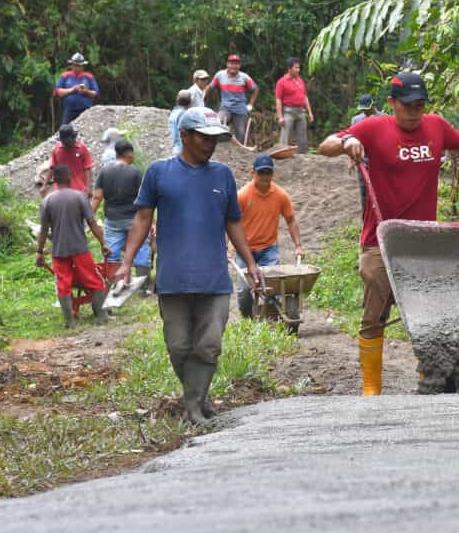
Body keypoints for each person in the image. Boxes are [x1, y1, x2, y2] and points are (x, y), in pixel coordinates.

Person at [318, 72, 459, 395]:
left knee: (429, 313)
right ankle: (371, 388)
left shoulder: (436, 125)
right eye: (408, 106)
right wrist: (347, 141)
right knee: (375, 311)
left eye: (420, 105)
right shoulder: (373, 128)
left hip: (422, 241)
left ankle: (431, 379)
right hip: (380, 240)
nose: (414, 112)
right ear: (391, 104)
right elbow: (325, 146)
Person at [113, 107, 262, 425]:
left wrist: (251, 263)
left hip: (214, 280)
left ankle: (193, 407)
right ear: (184, 136)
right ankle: (199, 396)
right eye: (204, 138)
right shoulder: (158, 173)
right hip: (173, 278)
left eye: (214, 139)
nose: (211, 144)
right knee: (179, 347)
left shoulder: (222, 175)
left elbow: (233, 223)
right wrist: (127, 262)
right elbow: (142, 219)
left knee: (208, 345)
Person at [36, 165, 111, 328]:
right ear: (69, 178)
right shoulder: (79, 197)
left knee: (63, 284)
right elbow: (92, 222)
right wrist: (103, 242)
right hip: (79, 248)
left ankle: (70, 321)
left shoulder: (47, 200)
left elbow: (43, 230)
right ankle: (101, 314)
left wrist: (39, 252)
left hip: (59, 250)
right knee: (94, 279)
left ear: (55, 180)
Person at [234, 154, 305, 319]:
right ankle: (248, 320)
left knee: (274, 287)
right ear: (253, 173)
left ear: (273, 173)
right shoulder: (242, 196)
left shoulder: (280, 195)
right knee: (244, 291)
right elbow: (231, 223)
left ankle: (279, 315)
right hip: (245, 250)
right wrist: (225, 246)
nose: (265, 177)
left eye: (268, 172)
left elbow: (291, 220)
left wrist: (298, 245)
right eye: (261, 173)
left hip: (268, 248)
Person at [91, 139, 152, 290]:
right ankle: (142, 287)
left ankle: (115, 286)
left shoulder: (105, 171)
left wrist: (88, 216)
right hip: (133, 218)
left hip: (112, 219)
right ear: (129, 154)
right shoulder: (135, 172)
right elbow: (144, 198)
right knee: (141, 247)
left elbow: (97, 196)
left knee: (112, 251)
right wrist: (150, 220)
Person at [204, 54, 256, 143]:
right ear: (227, 64)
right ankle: (218, 148)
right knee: (217, 124)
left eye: (236, 64)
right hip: (225, 108)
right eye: (232, 63)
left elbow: (255, 89)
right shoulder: (220, 75)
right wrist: (201, 98)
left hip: (240, 109)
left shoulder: (244, 77)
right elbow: (209, 87)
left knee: (241, 134)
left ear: (239, 66)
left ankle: (240, 153)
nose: (234, 66)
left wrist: (251, 104)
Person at [349, 94, 383, 211]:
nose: (365, 111)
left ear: (373, 105)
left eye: (367, 108)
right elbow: (352, 140)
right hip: (363, 161)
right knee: (364, 191)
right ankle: (366, 218)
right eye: (363, 109)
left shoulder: (384, 118)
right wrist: (352, 159)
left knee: (381, 191)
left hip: (381, 162)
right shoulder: (356, 120)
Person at [274, 57, 314, 154]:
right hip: (289, 111)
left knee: (302, 136)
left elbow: (305, 96)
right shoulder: (281, 82)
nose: (298, 70)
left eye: (298, 68)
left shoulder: (300, 80)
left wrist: (310, 112)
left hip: (301, 111)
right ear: (289, 69)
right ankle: (282, 154)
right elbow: (278, 99)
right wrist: (280, 117)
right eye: (296, 68)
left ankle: (302, 156)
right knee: (285, 135)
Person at [54, 52, 99, 125]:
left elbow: (96, 93)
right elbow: (58, 91)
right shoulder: (65, 76)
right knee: (65, 130)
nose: (77, 68)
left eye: (79, 66)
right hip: (69, 110)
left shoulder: (89, 77)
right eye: (75, 65)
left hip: (85, 110)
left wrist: (86, 91)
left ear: (83, 66)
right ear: (72, 65)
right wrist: (72, 90)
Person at [49, 123, 94, 194]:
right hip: (60, 190)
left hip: (80, 190)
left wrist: (88, 187)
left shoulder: (82, 148)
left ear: (73, 138)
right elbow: (52, 167)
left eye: (67, 142)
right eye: (64, 142)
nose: (66, 144)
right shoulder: (57, 149)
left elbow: (87, 168)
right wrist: (45, 185)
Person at [168, 90, 192, 156]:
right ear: (190, 102)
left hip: (174, 149)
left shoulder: (173, 113)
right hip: (182, 151)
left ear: (177, 100)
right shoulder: (185, 114)